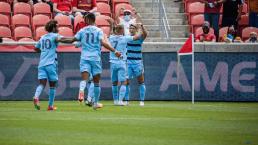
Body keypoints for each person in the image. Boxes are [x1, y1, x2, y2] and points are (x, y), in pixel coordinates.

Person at [57, 13, 121, 110]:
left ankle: (81, 91)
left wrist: (59, 39)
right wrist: (114, 51)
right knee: (96, 82)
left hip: (84, 58)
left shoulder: (82, 30)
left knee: (84, 79)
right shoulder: (99, 31)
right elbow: (103, 43)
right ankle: (95, 103)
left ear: (88, 19)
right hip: (95, 58)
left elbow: (72, 40)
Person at [107, 20, 142, 106]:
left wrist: (111, 25)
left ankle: (115, 101)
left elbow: (110, 33)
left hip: (112, 62)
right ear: (122, 31)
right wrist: (140, 28)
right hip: (121, 62)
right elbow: (137, 37)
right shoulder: (124, 38)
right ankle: (120, 100)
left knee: (114, 82)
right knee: (124, 82)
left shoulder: (111, 37)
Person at [33, 20, 62, 111]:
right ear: (53, 28)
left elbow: (36, 48)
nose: (58, 28)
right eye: (57, 27)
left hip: (42, 64)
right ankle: (50, 106)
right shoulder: (55, 36)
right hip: (51, 63)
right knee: (52, 85)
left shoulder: (42, 37)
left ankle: (36, 96)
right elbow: (63, 39)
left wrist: (45, 51)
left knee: (42, 84)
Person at [125, 23, 148, 106]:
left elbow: (145, 34)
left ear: (136, 29)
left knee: (141, 81)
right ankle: (127, 100)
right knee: (126, 82)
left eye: (133, 28)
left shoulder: (140, 39)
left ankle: (142, 101)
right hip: (128, 62)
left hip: (138, 63)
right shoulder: (127, 38)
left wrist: (142, 26)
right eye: (130, 28)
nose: (131, 29)